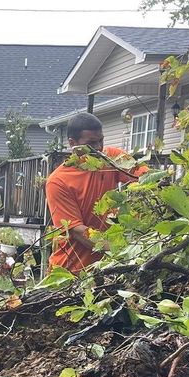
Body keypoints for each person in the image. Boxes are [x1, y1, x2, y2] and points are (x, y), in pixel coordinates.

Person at [45, 112, 144, 274]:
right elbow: (78, 231)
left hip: (106, 267)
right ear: (73, 143)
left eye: (101, 140)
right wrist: (121, 251)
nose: (99, 147)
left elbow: (145, 177)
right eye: (91, 143)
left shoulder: (111, 158)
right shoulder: (58, 181)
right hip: (71, 270)